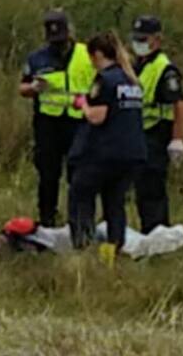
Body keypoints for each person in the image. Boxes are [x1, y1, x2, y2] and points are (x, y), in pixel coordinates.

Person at [68, 32, 147, 262]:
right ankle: (111, 254)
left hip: (105, 153)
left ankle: (82, 248)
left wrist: (82, 103)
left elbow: (97, 117)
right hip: (131, 153)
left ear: (97, 55)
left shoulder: (105, 79)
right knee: (114, 203)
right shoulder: (131, 80)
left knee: (80, 195)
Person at [19, 9, 96, 227]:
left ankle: (79, 222)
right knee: (48, 176)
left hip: (79, 121)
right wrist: (33, 87)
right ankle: (47, 221)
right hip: (48, 124)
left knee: (79, 177)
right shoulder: (37, 58)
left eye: (61, 39)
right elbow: (22, 87)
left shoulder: (87, 54)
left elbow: (102, 80)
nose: (58, 44)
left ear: (69, 32)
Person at [130, 15, 183, 233]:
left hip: (157, 132)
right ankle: (149, 232)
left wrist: (177, 139)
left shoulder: (165, 69)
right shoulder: (139, 65)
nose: (139, 43)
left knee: (152, 188)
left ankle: (157, 232)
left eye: (144, 39)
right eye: (136, 38)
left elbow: (180, 104)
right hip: (140, 133)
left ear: (157, 39)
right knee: (142, 188)